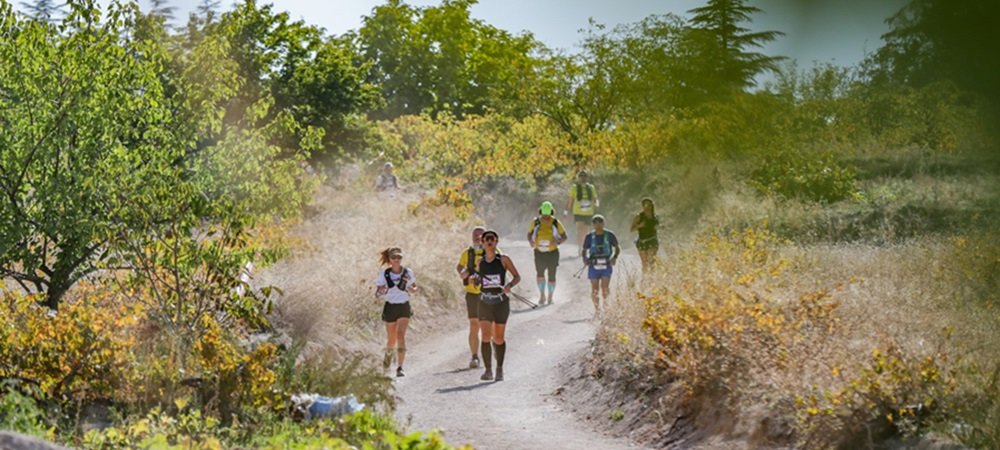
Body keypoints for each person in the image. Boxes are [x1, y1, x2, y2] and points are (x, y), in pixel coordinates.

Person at [473, 229, 521, 381]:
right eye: (486, 239)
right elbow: (478, 280)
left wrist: (509, 286)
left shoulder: (503, 260)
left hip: (500, 302)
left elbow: (517, 276)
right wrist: (475, 281)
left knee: (499, 338)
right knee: (485, 336)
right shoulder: (479, 262)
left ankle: (499, 368)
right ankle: (488, 370)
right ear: (482, 242)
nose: (489, 241)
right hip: (484, 302)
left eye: (492, 239)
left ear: (496, 242)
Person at [375, 247, 417, 377]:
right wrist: (381, 291)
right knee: (391, 339)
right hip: (390, 307)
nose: (397, 260)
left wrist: (411, 289)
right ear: (389, 259)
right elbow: (378, 292)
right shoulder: (384, 274)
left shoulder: (408, 272)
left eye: (399, 257)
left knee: (400, 336)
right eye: (394, 257)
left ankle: (400, 367)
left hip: (403, 306)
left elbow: (414, 286)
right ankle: (387, 364)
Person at [456, 226, 487, 369]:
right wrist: (463, 272)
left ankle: (489, 355)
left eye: (480, 236)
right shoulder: (467, 253)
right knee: (474, 325)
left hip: (488, 293)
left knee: (487, 326)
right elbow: (459, 266)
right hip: (472, 294)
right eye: (475, 236)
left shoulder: (493, 251)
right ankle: (475, 357)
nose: (477, 238)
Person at [526, 201, 567, 305]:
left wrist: (557, 242)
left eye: (548, 216)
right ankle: (542, 295)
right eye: (544, 216)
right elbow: (529, 234)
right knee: (540, 274)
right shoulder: (535, 222)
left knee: (552, 274)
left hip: (552, 252)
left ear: (551, 213)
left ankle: (550, 297)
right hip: (539, 252)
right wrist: (530, 241)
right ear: (541, 213)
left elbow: (564, 236)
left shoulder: (555, 222)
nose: (546, 218)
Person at [582, 215, 620, 315]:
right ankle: (597, 310)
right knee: (595, 289)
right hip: (593, 265)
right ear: (593, 224)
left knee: (605, 288)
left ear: (604, 223)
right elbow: (584, 250)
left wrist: (614, 257)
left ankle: (606, 307)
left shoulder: (610, 235)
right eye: (596, 223)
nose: (598, 225)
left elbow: (617, 247)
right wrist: (585, 259)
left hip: (606, 265)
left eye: (600, 222)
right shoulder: (589, 237)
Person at [564, 170, 599, 255]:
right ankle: (580, 247)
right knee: (579, 230)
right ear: (578, 178)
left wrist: (597, 205)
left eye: (585, 176)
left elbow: (595, 198)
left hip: (588, 212)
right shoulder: (574, 187)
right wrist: (566, 212)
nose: (583, 178)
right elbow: (570, 200)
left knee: (586, 231)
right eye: (581, 177)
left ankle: (584, 248)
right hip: (578, 212)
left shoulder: (591, 187)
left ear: (587, 178)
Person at [630, 197, 660, 271]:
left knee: (651, 260)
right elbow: (631, 229)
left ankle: (653, 276)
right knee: (644, 263)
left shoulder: (655, 217)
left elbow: (657, 227)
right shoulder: (639, 216)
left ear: (652, 206)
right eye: (645, 205)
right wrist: (640, 226)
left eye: (649, 205)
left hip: (652, 240)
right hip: (642, 241)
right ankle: (645, 277)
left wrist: (659, 227)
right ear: (642, 206)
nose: (647, 207)